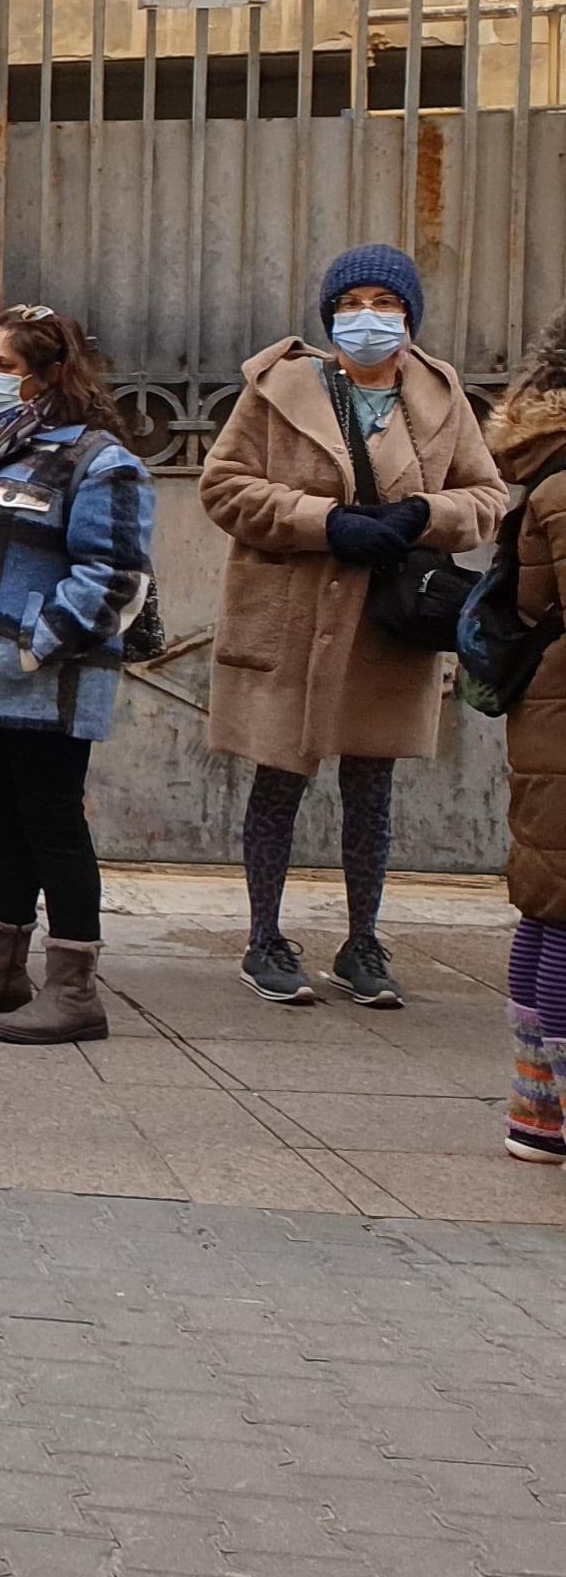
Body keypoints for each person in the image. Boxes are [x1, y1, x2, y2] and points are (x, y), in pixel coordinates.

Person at [199, 245, 508, 1009]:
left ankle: (363, 941)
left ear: (409, 315)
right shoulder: (277, 387)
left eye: (385, 302)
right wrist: (324, 522)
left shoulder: (439, 396)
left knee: (372, 785)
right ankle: (265, 937)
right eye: (352, 302)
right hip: (293, 615)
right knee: (280, 777)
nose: (368, 316)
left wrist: (425, 514)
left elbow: (489, 496)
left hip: (385, 623)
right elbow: (224, 485)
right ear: (329, 313)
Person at [0, 306, 158, 1046]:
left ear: (48, 376)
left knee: (53, 823)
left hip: (41, 681)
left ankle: (74, 988)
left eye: (5, 366)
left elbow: (116, 579)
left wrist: (36, 644)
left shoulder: (97, 461)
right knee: (0, 819)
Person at [487, 308, 566, 1162]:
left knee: (549, 911)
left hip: (548, 715)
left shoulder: (548, 464)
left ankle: (538, 1115)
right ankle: (549, 1115)